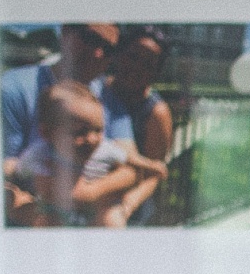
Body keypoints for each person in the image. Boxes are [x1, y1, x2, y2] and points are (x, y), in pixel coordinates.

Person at [12, 80, 166, 228]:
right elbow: (17, 170)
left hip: (96, 213)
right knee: (43, 222)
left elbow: (128, 159)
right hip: (56, 214)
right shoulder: (40, 153)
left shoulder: (103, 149)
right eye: (80, 132)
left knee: (112, 219)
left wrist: (151, 165)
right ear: (47, 133)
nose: (92, 139)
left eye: (98, 130)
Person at [0, 21, 118, 181]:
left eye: (109, 49)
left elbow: (130, 167)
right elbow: (4, 171)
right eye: (91, 39)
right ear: (65, 33)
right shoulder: (13, 88)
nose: (98, 53)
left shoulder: (108, 93)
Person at [105, 27, 175, 226]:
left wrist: (126, 207)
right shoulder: (99, 90)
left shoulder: (156, 113)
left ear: (156, 71)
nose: (137, 67)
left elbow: (155, 172)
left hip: (129, 209)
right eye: (133, 56)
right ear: (120, 54)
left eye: (148, 63)